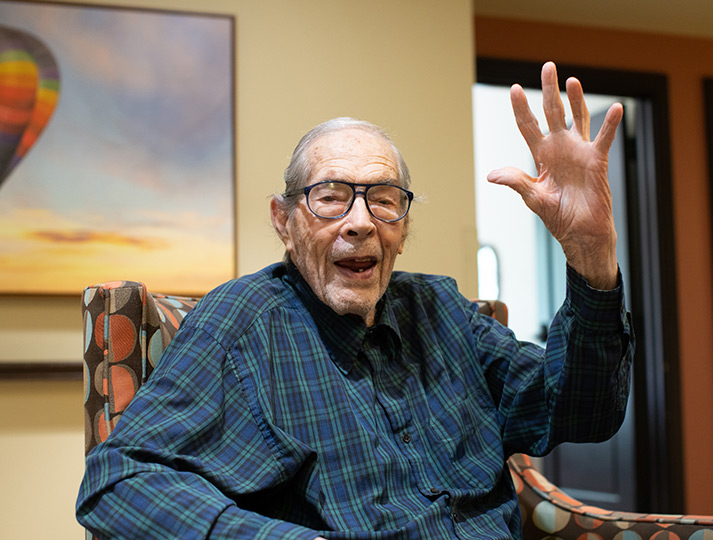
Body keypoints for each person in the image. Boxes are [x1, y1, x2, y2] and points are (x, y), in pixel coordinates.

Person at [76, 62, 634, 540]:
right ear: (284, 221)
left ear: (404, 223)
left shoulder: (442, 310)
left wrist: (591, 254)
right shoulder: (243, 323)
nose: (361, 223)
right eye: (331, 199)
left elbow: (582, 411)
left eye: (384, 200)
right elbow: (117, 483)